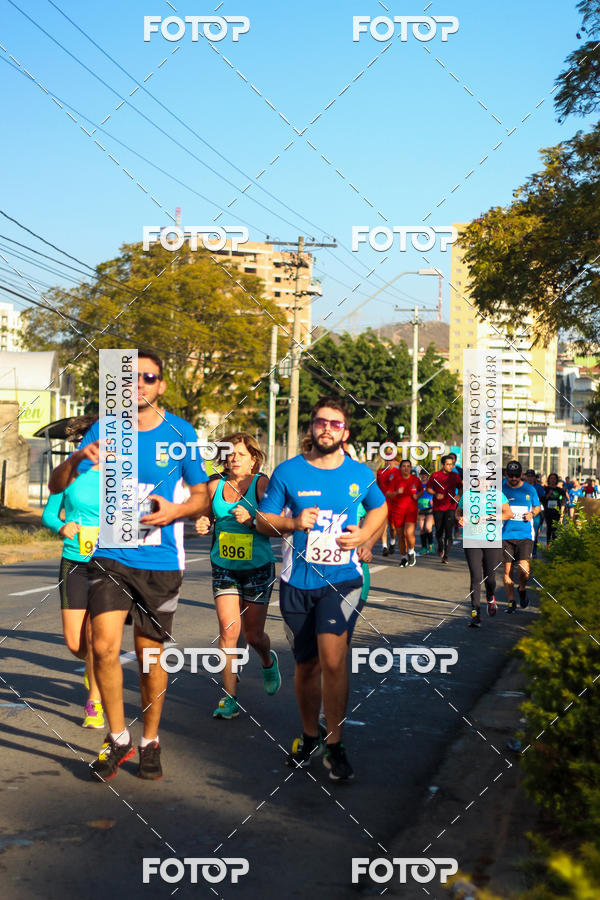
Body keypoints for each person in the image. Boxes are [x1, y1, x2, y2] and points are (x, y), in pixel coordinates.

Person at [48, 351, 209, 781]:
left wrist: (174, 510)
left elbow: (201, 496)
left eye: (148, 377)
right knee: (101, 647)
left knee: (149, 661)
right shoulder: (104, 429)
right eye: (130, 376)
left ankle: (149, 739)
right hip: (110, 554)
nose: (138, 383)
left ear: (161, 386)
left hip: (160, 561)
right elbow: (55, 484)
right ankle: (117, 738)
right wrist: (79, 460)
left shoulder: (181, 432)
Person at [257, 396, 387, 782]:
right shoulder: (288, 472)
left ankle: (336, 744)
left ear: (345, 432)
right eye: (320, 422)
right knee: (306, 665)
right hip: (297, 583)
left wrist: (365, 534)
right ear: (311, 428)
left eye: (335, 423)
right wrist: (294, 522)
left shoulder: (361, 474)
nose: (326, 428)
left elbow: (379, 509)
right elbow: (264, 521)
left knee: (333, 658)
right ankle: (310, 735)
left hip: (342, 580)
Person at [194, 433, 280, 719]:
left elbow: (276, 525)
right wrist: (203, 522)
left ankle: (268, 661)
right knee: (229, 632)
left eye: (240, 454)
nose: (234, 459)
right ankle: (229, 698)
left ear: (253, 458)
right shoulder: (215, 484)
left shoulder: (262, 484)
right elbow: (204, 515)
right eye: (230, 454)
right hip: (224, 566)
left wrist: (254, 521)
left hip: (258, 567)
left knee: (253, 635)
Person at [42, 416, 103, 728]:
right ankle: (92, 666)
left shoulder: (119, 476)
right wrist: (61, 526)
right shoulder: (68, 475)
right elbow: (49, 514)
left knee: (96, 638)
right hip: (75, 560)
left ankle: (95, 702)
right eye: (82, 442)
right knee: (75, 642)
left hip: (110, 563)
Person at [456, 490, 513, 627]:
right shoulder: (468, 495)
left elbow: (508, 514)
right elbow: (458, 511)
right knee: (475, 576)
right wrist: (460, 518)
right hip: (472, 540)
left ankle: (490, 597)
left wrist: (491, 517)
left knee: (490, 576)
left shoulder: (497, 495)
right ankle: (475, 613)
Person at [502, 460, 541, 613]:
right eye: (511, 475)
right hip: (505, 535)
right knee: (507, 570)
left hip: (525, 535)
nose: (513, 478)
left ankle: (522, 588)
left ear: (521, 475)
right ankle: (511, 601)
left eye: (516, 475)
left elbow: (537, 507)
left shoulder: (529, 489)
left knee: (523, 570)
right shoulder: (500, 489)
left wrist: (532, 513)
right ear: (506, 474)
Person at [426, 455, 462, 564]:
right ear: (442, 465)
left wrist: (459, 496)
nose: (450, 466)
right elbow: (428, 488)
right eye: (448, 464)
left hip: (450, 507)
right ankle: (440, 546)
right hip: (438, 507)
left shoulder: (455, 476)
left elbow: (461, 487)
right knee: (438, 531)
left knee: (448, 532)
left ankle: (446, 555)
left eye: (452, 464)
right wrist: (435, 494)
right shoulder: (435, 475)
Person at [387, 458, 423, 567]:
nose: (406, 468)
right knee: (401, 536)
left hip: (411, 510)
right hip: (398, 511)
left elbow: (421, 490)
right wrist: (397, 492)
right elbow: (388, 494)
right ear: (400, 468)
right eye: (404, 466)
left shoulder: (415, 480)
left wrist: (417, 495)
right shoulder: (395, 480)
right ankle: (403, 558)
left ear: (411, 468)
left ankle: (411, 552)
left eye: (408, 466)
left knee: (408, 533)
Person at [376, 459, 399, 556]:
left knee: (393, 528)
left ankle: (392, 542)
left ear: (394, 462)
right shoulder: (380, 472)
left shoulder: (398, 472)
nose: (389, 462)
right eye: (387, 460)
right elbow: (377, 485)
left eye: (391, 461)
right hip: (383, 503)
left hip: (394, 503)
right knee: (383, 526)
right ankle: (384, 546)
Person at [524, 469, 545, 557]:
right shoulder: (522, 486)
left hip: (535, 512)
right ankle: (524, 552)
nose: (529, 478)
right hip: (524, 512)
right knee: (524, 532)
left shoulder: (538, 487)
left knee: (535, 533)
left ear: (534, 477)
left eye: (531, 476)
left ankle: (534, 552)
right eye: (527, 476)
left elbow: (542, 499)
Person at [542, 473, 566, 544]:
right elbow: (543, 499)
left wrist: (562, 502)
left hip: (556, 511)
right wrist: (548, 494)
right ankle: (548, 544)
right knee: (549, 527)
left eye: (554, 479)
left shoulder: (559, 489)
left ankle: (554, 545)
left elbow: (563, 497)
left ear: (556, 480)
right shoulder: (545, 489)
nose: (553, 480)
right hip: (548, 511)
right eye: (551, 478)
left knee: (555, 528)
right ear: (549, 479)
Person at [417, 469, 434, 555]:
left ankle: (431, 545)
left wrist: (433, 500)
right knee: (421, 529)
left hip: (429, 508)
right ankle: (424, 547)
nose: (423, 476)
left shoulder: (430, 484)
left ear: (427, 476)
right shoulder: (418, 484)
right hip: (420, 509)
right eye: (422, 475)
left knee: (428, 528)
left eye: (425, 475)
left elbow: (435, 493)